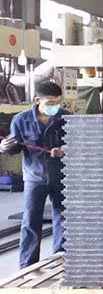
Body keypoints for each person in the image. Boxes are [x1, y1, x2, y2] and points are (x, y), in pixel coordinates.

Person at [0, 81, 66, 268]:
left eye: (58, 102)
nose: (55, 107)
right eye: (51, 103)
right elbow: (15, 147)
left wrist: (64, 150)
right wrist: (4, 147)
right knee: (31, 221)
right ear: (37, 100)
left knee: (63, 219)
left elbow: (77, 143)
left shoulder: (66, 118)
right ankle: (27, 266)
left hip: (61, 177)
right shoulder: (21, 120)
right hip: (34, 178)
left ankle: (61, 261)